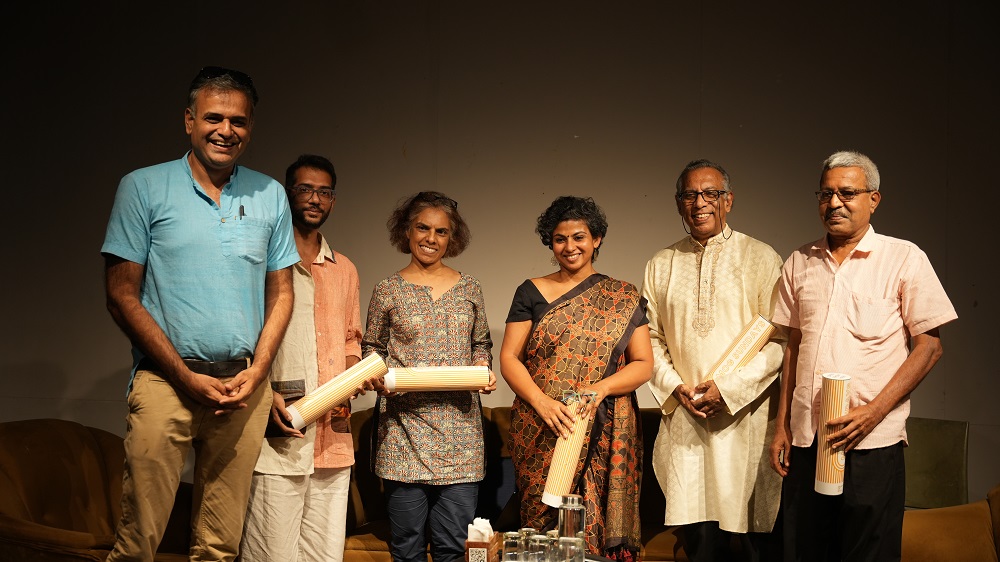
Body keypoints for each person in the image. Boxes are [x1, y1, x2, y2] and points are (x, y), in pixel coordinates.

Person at [100, 66, 299, 561]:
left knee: (219, 547)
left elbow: (282, 293)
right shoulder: (143, 187)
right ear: (189, 120)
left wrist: (260, 371)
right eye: (213, 118)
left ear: (250, 127)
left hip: (242, 390)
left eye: (239, 121)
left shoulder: (270, 194)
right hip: (165, 382)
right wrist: (184, 376)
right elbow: (121, 295)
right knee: (138, 542)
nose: (225, 130)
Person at [768, 150, 958, 561]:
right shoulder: (799, 261)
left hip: (872, 441)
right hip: (808, 440)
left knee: (868, 553)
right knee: (803, 550)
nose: (834, 203)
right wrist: (781, 426)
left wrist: (874, 412)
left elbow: (930, 347)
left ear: (874, 199)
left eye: (847, 193)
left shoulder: (903, 258)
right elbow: (794, 347)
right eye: (825, 194)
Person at [642, 160, 785, 562]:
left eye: (711, 194)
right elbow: (649, 338)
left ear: (729, 200)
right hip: (689, 422)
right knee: (700, 542)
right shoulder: (661, 264)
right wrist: (675, 387)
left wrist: (729, 390)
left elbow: (779, 340)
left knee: (756, 543)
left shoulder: (760, 258)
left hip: (746, 420)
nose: (700, 202)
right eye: (690, 195)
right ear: (678, 203)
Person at [499, 196, 652, 561]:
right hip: (541, 424)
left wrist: (600, 389)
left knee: (589, 530)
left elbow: (644, 364)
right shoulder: (531, 291)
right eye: (560, 239)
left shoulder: (622, 296)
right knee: (541, 528)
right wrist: (543, 403)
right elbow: (508, 358)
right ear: (550, 243)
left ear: (596, 239)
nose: (570, 247)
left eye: (579, 237)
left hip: (600, 423)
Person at [241, 154, 370, 561]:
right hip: (281, 428)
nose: (315, 199)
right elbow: (243, 339)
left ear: (333, 200)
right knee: (272, 553)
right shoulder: (263, 262)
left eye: (324, 192)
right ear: (287, 194)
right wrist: (262, 392)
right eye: (305, 189)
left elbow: (351, 339)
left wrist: (355, 372)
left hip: (333, 433)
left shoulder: (344, 268)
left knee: (325, 554)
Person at [362, 191, 497, 562]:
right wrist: (377, 376)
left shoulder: (470, 288)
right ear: (406, 231)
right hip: (403, 435)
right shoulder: (387, 290)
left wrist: (483, 369)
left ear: (452, 238)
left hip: (461, 440)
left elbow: (481, 343)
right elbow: (372, 348)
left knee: (452, 548)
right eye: (423, 228)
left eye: (441, 231)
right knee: (407, 548)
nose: (431, 238)